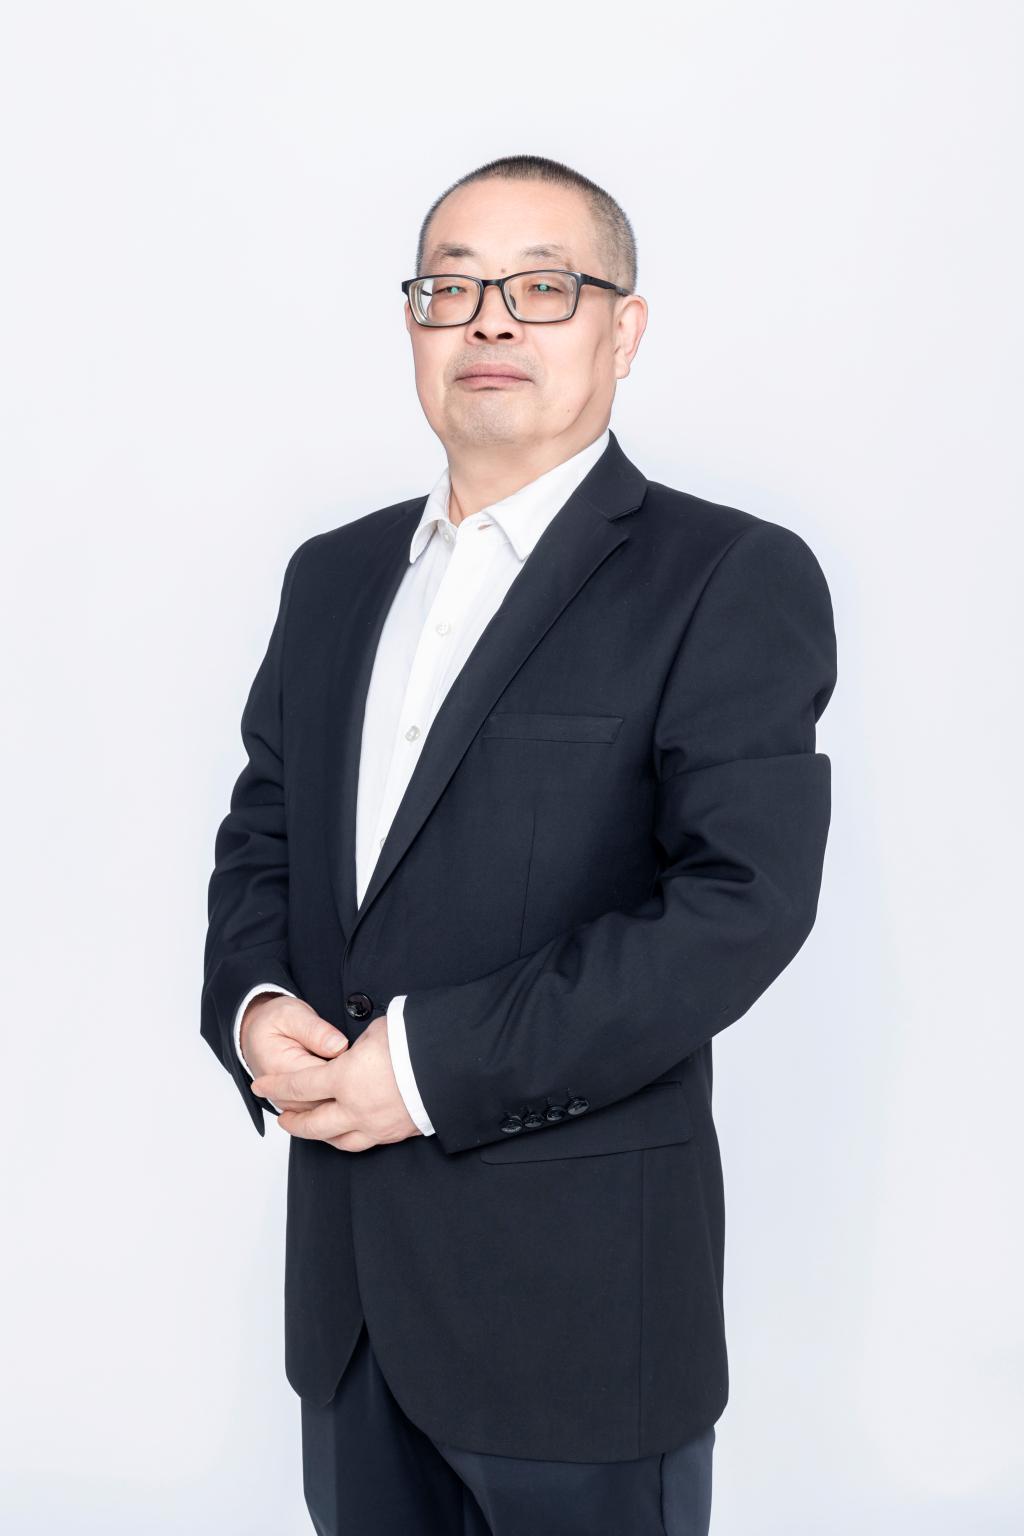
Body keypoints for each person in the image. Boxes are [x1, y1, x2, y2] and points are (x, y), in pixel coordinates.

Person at [200, 152, 838, 1536]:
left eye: (543, 287)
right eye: (453, 288)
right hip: (352, 1317)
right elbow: (264, 830)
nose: (490, 319)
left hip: (582, 1319)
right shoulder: (333, 576)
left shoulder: (725, 577)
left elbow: (739, 904)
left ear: (624, 329)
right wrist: (253, 1007)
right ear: (414, 325)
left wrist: (427, 1067)